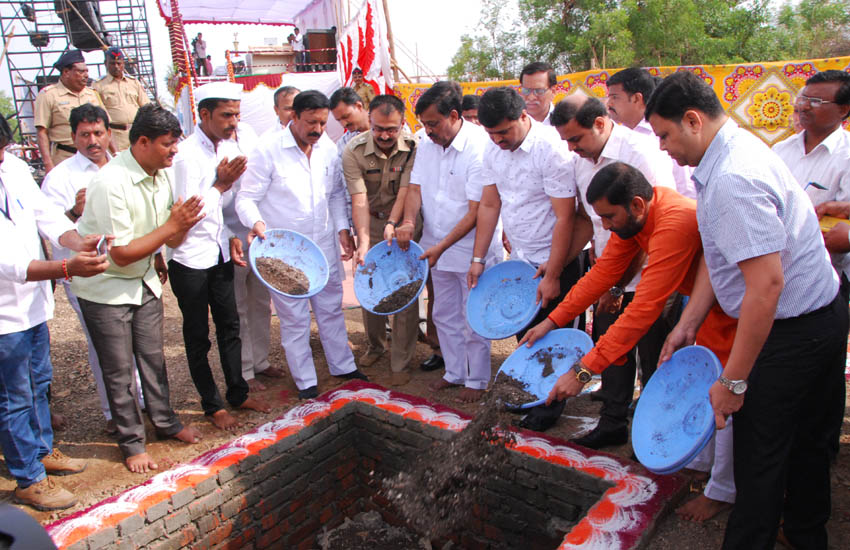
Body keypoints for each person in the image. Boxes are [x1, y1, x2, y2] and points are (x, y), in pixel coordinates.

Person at [647, 70, 847, 549]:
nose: (662, 149)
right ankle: (804, 533)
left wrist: (733, 381)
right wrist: (688, 323)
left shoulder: (734, 179)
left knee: (761, 457)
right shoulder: (737, 149)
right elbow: (723, 261)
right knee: (808, 444)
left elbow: (765, 287)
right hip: (822, 311)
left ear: (692, 120)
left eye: (664, 135)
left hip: (792, 330)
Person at [523, 162, 738, 521]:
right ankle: (701, 463)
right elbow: (602, 275)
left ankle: (723, 491)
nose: (604, 227)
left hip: (732, 309)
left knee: (727, 392)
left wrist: (582, 372)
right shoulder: (635, 222)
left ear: (637, 205)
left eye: (608, 217)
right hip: (706, 306)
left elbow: (643, 311)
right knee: (705, 384)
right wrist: (551, 320)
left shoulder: (674, 222)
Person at [73, 104, 205, 473]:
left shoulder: (158, 173)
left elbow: (168, 235)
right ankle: (132, 443)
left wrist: (183, 226)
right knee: (118, 371)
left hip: (143, 282)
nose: (174, 151)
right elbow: (121, 254)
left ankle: (165, 423)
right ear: (142, 142)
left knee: (152, 359)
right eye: (168, 144)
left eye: (176, 143)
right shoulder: (110, 182)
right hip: (107, 287)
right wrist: (173, 226)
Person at [548, 94, 675, 449]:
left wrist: (618, 288)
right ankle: (614, 421)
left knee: (652, 357)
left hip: (650, 274)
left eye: (576, 138)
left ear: (600, 124)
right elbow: (589, 224)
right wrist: (559, 265)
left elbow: (647, 228)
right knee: (611, 348)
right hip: (608, 271)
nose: (571, 148)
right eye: (566, 141)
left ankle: (656, 431)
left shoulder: (640, 154)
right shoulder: (581, 160)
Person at [0, 114, 109, 511]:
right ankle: (28, 476)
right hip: (3, 313)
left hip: (30, 306)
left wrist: (75, 240)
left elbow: (44, 214)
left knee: (38, 381)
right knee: (12, 395)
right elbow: (9, 265)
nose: (1, 158)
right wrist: (68, 267)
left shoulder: (10, 166)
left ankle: (43, 448)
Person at [469, 87, 590, 431]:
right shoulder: (492, 151)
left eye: (505, 131)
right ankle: (534, 395)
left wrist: (554, 273)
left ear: (523, 116)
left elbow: (566, 217)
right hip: (521, 259)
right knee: (527, 333)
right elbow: (491, 204)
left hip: (559, 257)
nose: (498, 140)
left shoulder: (550, 149)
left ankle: (551, 407)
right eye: (492, 133)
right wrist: (479, 257)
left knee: (557, 335)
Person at [237, 90, 366, 399]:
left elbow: (335, 195)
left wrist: (342, 229)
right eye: (311, 122)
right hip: (285, 252)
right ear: (292, 117)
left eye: (323, 123)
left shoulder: (327, 149)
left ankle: (343, 366)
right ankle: (306, 381)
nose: (317, 130)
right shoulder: (266, 150)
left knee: (331, 309)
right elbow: (246, 198)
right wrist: (256, 224)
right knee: (294, 318)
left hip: (323, 245)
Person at [169, 82, 271, 431]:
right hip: (188, 258)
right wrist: (220, 185)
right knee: (198, 335)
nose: (234, 122)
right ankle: (212, 405)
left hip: (218, 252)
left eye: (237, 114)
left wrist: (229, 236)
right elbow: (190, 212)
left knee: (230, 325)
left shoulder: (223, 149)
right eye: (227, 115)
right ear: (204, 114)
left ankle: (238, 393)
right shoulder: (185, 155)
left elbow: (219, 213)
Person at [41, 103, 145, 435]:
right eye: (84, 134)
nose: (92, 140)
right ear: (73, 137)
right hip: (89, 273)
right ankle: (115, 413)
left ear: (108, 133)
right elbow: (52, 228)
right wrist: (75, 212)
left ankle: (141, 404)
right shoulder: (60, 177)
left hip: (129, 265)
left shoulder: (125, 167)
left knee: (137, 341)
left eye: (98, 132)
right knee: (104, 344)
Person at [397, 81, 502, 401]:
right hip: (434, 245)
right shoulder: (425, 145)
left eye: (432, 123)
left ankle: (477, 379)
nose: (427, 131)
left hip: (473, 248)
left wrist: (442, 246)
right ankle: (455, 372)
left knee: (473, 316)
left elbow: (476, 210)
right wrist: (409, 221)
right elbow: (414, 189)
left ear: (454, 115)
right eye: (424, 124)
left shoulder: (480, 146)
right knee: (443, 313)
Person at [773, 69, 850, 463]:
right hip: (781, 278)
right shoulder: (782, 152)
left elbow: (842, 232)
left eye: (816, 101)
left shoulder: (846, 156)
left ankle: (821, 446)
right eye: (802, 98)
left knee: (824, 371)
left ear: (844, 110)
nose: (803, 107)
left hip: (831, 278)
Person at [341, 94, 419, 385]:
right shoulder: (353, 150)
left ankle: (401, 360)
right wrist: (363, 241)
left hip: (405, 224)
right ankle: (376, 345)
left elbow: (407, 190)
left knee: (405, 287)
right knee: (369, 283)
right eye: (378, 129)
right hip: (370, 221)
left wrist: (394, 223)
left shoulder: (414, 148)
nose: (385, 135)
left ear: (402, 124)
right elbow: (358, 198)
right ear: (369, 122)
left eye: (392, 129)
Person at [606, 67, 696, 199]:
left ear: (636, 98)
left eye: (615, 97)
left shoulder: (661, 133)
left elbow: (685, 184)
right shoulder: (618, 136)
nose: (609, 103)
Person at [34, 49, 104, 172]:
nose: (86, 75)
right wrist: (48, 164)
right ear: (66, 72)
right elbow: (42, 132)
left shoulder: (92, 94)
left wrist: (114, 154)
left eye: (87, 71)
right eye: (81, 71)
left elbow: (105, 126)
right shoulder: (48, 95)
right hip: (66, 157)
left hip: (94, 156)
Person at [92, 47, 150, 152]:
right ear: (105, 63)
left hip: (136, 133)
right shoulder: (98, 85)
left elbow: (146, 107)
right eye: (112, 63)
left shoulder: (134, 82)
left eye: (119, 63)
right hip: (114, 136)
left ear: (124, 63)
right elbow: (99, 113)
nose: (116, 66)